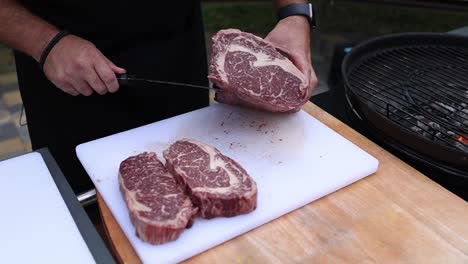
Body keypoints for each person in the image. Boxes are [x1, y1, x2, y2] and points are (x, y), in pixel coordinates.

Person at [0, 0, 318, 194]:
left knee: (198, 174)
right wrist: (43, 42)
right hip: (65, 72)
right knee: (87, 211)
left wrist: (295, 14)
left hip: (177, 53)